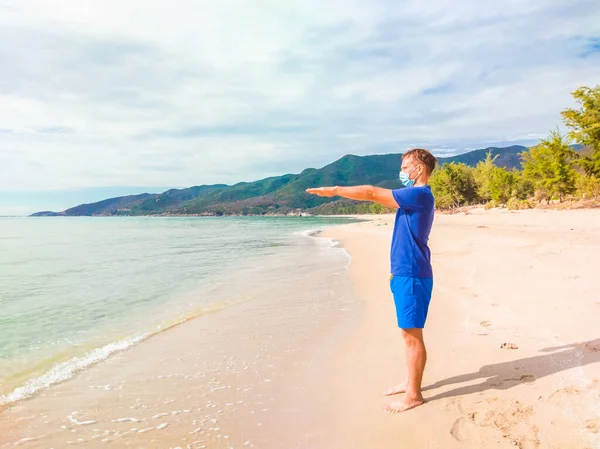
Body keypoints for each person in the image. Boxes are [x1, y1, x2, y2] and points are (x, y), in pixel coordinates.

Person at [306, 148, 437, 413]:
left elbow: (370, 193)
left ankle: (414, 395)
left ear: (419, 168)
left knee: (412, 335)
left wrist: (334, 190)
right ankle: (410, 381)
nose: (401, 172)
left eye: (404, 167)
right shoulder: (414, 198)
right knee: (407, 332)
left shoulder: (419, 194)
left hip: (412, 274)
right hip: (406, 272)